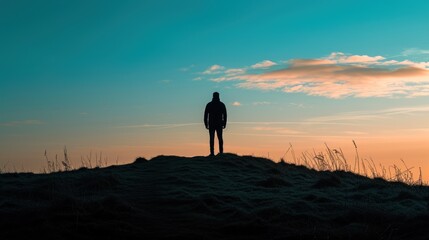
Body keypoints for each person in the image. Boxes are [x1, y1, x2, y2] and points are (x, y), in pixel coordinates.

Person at [204, 92, 227, 156]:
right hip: (217, 123)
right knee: (218, 138)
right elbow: (225, 115)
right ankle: (218, 152)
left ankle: (214, 153)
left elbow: (205, 115)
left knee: (214, 138)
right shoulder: (221, 104)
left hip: (214, 123)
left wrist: (206, 123)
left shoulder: (209, 104)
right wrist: (224, 123)